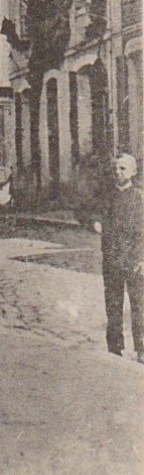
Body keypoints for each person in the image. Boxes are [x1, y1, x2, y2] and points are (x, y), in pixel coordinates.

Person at [96, 154, 143, 362]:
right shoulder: (107, 197)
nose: (118, 173)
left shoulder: (140, 198)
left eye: (123, 169)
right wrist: (95, 223)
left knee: (140, 305)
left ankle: (142, 348)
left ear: (133, 172)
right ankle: (114, 346)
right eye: (115, 169)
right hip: (112, 259)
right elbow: (93, 215)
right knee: (113, 304)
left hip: (135, 260)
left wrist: (142, 258)